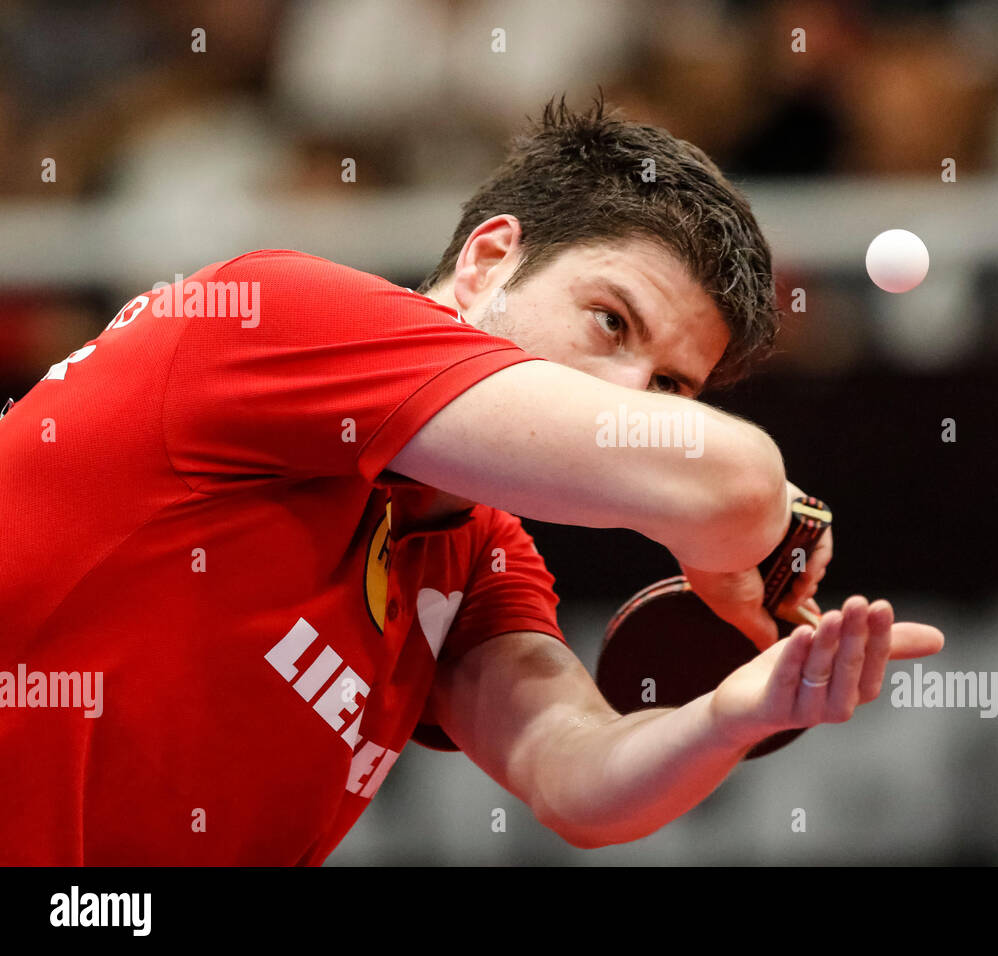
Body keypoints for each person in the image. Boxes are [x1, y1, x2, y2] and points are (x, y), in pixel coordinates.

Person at [0, 96, 943, 864]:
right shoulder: (286, 313)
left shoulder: (475, 551)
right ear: (490, 259)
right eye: (611, 322)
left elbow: (576, 780)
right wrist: (760, 522)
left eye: (668, 387)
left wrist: (728, 718)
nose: (628, 394)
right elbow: (734, 485)